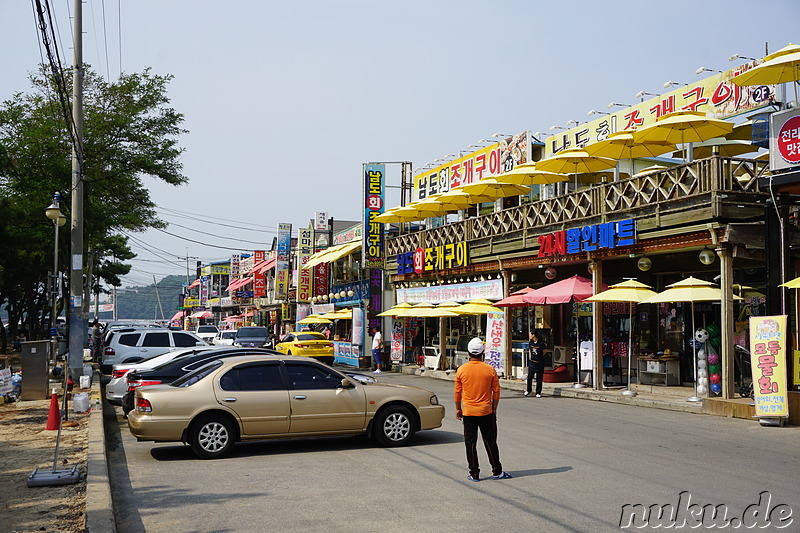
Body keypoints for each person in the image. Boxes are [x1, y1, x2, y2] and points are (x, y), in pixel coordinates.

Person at [454, 337, 512, 482]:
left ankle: (474, 473)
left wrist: (458, 409)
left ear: (468, 353)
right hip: (486, 411)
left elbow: (457, 393)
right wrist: (494, 408)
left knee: (470, 442)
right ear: (482, 353)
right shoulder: (490, 370)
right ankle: (497, 471)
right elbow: (496, 392)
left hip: (468, 412)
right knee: (490, 441)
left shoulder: (461, 370)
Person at [525, 331, 545, 397]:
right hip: (532, 362)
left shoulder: (541, 343)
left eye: (530, 334)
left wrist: (540, 357)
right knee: (530, 377)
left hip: (539, 363)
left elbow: (544, 351)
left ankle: (538, 392)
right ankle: (528, 390)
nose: (529, 336)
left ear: (534, 335)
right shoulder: (530, 342)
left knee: (539, 378)